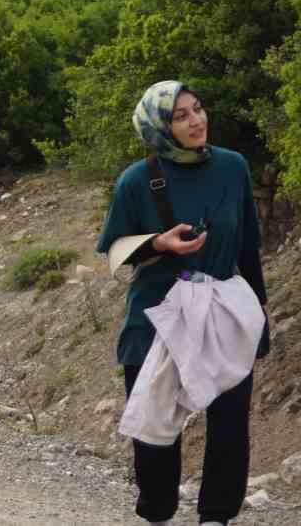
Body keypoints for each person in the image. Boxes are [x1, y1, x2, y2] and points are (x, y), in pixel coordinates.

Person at [97, 81, 269, 526]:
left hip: (225, 308)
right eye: (181, 116)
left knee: (230, 420)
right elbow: (114, 248)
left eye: (198, 109)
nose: (197, 121)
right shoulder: (138, 180)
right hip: (159, 313)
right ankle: (157, 513)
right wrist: (160, 243)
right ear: (159, 128)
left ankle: (216, 516)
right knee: (154, 427)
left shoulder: (233, 167)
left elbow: (248, 247)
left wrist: (261, 319)